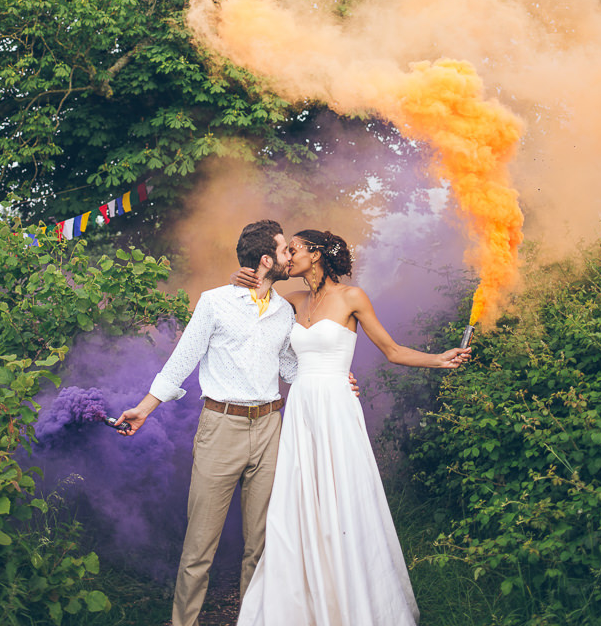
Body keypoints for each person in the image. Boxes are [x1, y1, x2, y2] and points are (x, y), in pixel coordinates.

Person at [232, 228, 471, 626]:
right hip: (301, 408)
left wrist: (439, 359)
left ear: (317, 253)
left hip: (337, 407)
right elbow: (243, 306)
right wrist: (239, 278)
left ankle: (351, 602)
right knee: (298, 501)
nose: (287, 255)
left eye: (293, 249)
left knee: (342, 500)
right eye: (284, 249)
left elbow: (392, 351)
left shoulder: (352, 298)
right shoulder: (290, 301)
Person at [114, 220, 297, 626]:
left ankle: (253, 618)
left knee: (261, 543)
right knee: (200, 544)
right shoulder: (214, 302)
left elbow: (287, 365)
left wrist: (330, 379)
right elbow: (183, 359)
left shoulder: (286, 310)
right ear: (267, 260)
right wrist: (145, 407)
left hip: (270, 428)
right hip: (221, 427)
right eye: (285, 251)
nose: (291, 257)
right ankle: (184, 621)